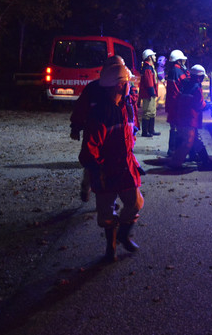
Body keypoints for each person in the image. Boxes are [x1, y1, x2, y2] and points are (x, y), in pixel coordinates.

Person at [78, 62, 144, 262]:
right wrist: (97, 170)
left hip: (126, 167)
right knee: (106, 212)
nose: (129, 86)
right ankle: (111, 246)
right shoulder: (100, 114)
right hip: (106, 171)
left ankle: (123, 234)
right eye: (127, 83)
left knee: (135, 203)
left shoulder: (126, 106)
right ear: (119, 85)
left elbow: (130, 133)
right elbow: (89, 149)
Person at [71, 55, 127, 202]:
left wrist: (131, 131)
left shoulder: (123, 87)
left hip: (115, 134)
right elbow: (81, 108)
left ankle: (109, 200)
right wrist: (75, 126)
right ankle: (89, 186)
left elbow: (128, 109)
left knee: (114, 167)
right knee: (94, 163)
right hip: (96, 133)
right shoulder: (93, 88)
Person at [168, 64, 211, 169]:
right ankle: (175, 164)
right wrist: (207, 105)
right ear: (199, 77)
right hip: (190, 119)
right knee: (187, 142)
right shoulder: (196, 88)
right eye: (202, 77)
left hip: (182, 117)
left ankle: (206, 161)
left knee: (195, 140)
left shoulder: (185, 83)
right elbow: (199, 104)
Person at [165, 49, 189, 157]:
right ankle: (176, 151)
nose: (184, 62)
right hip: (177, 104)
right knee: (179, 128)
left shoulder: (172, 71)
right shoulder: (179, 72)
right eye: (183, 60)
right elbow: (185, 85)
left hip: (171, 103)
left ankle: (171, 150)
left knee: (173, 127)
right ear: (178, 61)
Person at [139, 48, 160, 137]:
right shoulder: (147, 68)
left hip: (150, 93)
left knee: (152, 112)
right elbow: (149, 82)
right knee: (147, 112)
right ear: (149, 57)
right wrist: (152, 92)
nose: (155, 57)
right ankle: (145, 132)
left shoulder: (150, 67)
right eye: (153, 55)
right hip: (148, 94)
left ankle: (151, 130)